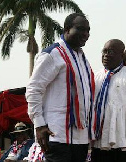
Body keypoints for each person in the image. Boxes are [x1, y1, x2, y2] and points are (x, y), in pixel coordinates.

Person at [26, 13, 94, 162]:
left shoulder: (83, 59)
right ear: (67, 29)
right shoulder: (52, 54)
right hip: (56, 135)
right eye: (81, 29)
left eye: (88, 30)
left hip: (80, 139)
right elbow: (33, 90)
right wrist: (39, 125)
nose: (86, 34)